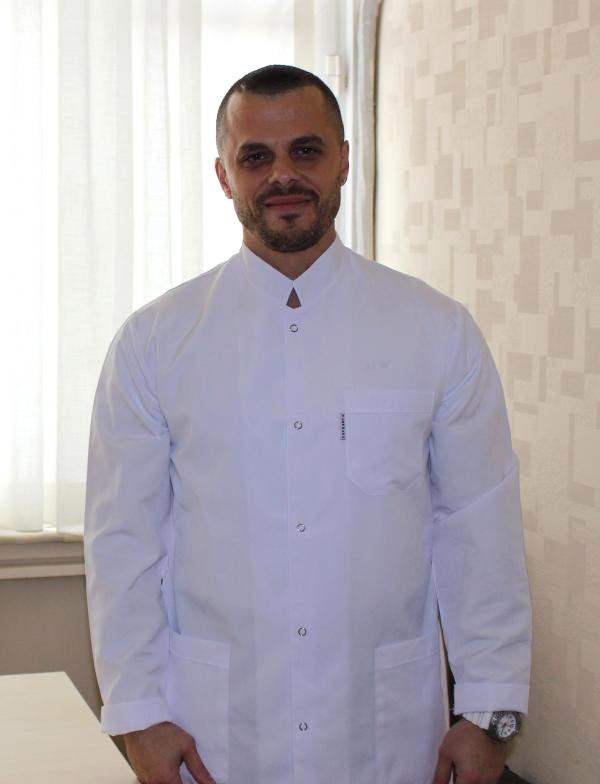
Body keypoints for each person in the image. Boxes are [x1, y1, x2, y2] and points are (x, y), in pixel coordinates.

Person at [84, 65, 532, 784]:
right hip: (215, 735)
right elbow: (123, 546)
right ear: (224, 175)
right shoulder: (155, 342)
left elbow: (479, 531)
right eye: (255, 156)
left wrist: (490, 716)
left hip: (385, 735)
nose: (282, 175)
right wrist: (138, 717)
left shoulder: (437, 331)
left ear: (344, 160)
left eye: (306, 150)